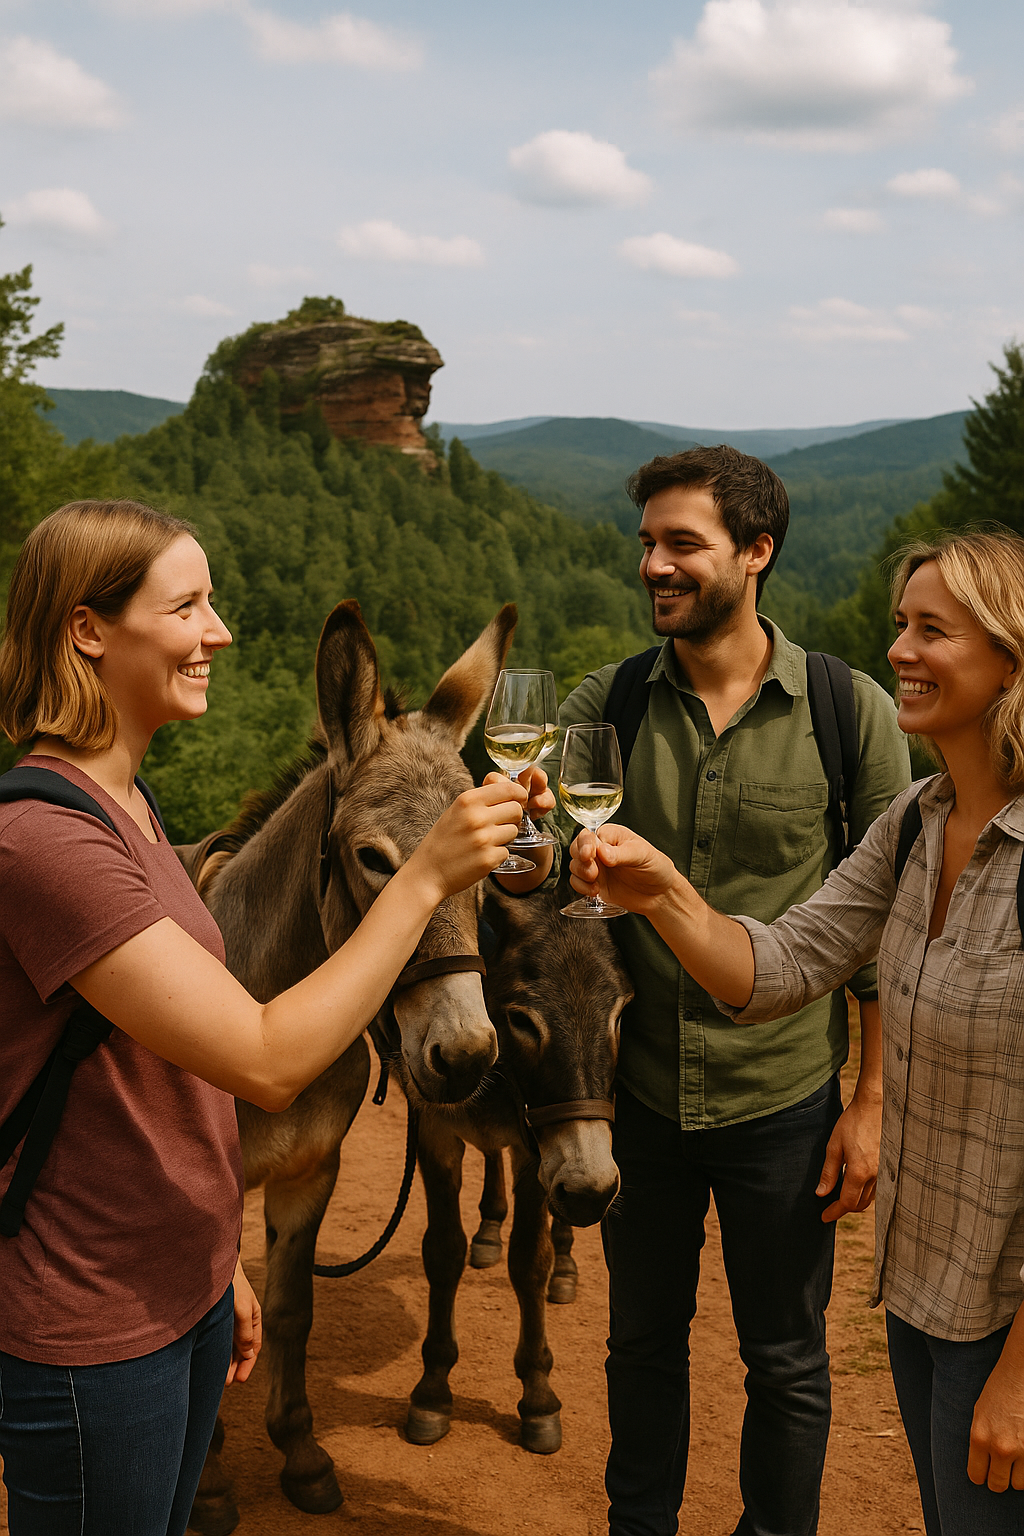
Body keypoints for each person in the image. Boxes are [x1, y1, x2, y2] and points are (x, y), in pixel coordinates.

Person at [0, 499, 528, 1536]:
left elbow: (160, 1080)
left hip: (174, 1296)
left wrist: (214, 1266)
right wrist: (421, 881)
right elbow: (262, 1056)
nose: (221, 632)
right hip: (89, 1329)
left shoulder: (135, 810)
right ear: (87, 629)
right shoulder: (46, 844)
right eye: (188, 605)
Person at [569, 527, 1024, 1536]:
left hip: (1010, 1326)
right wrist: (663, 892)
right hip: (924, 1294)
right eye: (900, 624)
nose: (898, 650)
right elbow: (778, 967)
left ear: (1011, 657)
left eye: (933, 631)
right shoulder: (912, 824)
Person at [504, 445, 910, 1536]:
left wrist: (866, 1105)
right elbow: (540, 875)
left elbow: (880, 929)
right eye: (646, 543)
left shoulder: (847, 709)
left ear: (755, 553)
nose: (653, 565)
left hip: (784, 1101)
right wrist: (518, 827)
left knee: (784, 1359)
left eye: (681, 543)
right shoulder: (611, 699)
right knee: (640, 1342)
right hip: (634, 1098)